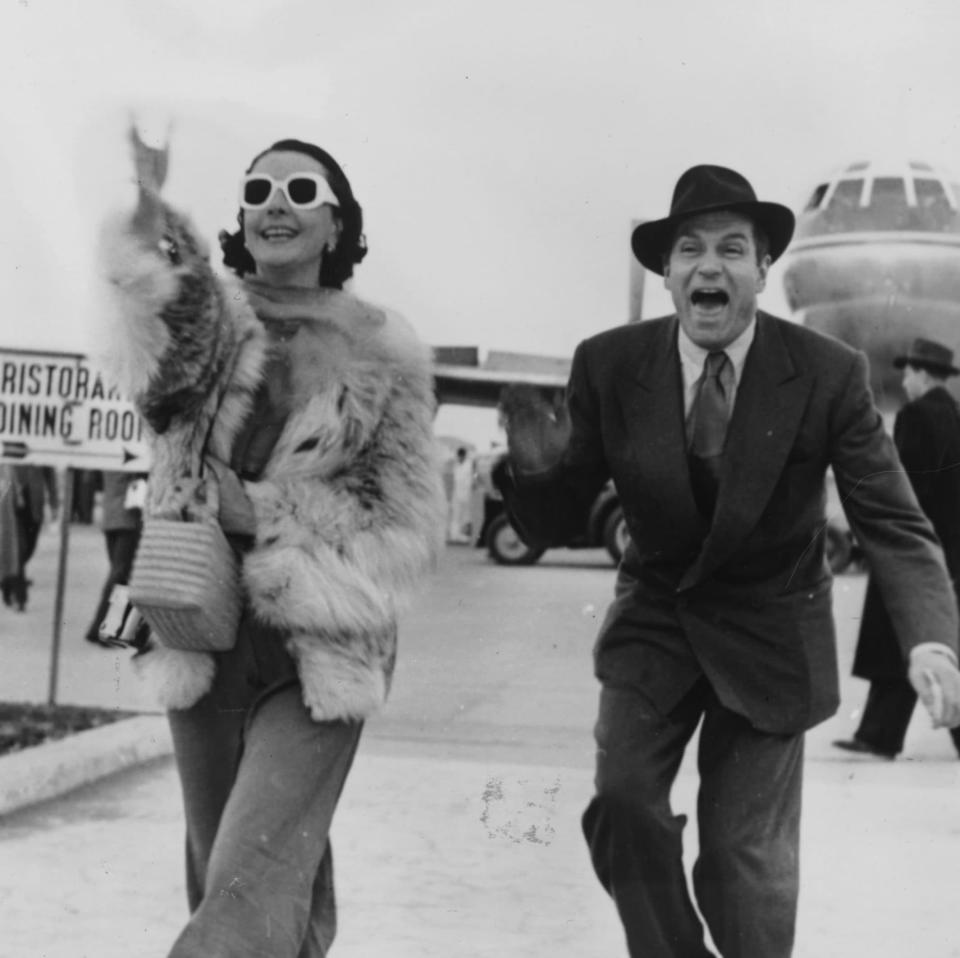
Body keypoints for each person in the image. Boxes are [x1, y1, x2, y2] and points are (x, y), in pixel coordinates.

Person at [494, 165, 960, 958]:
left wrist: (930, 636)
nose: (709, 266)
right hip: (657, 623)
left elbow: (892, 521)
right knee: (624, 805)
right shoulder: (609, 364)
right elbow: (564, 509)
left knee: (748, 868)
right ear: (667, 273)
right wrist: (533, 469)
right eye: (689, 250)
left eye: (732, 249)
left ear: (763, 270)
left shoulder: (827, 372)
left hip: (773, 630)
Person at [99, 131, 445, 957]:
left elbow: (400, 526)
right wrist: (151, 214)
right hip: (201, 628)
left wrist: (257, 509)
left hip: (321, 648)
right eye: (259, 193)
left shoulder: (384, 352)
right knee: (236, 873)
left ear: (337, 225)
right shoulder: (209, 325)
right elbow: (155, 332)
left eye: (300, 192)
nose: (276, 206)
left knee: (245, 886)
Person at [834, 337, 960, 760]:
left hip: (913, 547)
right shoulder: (956, 416)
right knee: (928, 640)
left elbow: (903, 487)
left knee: (898, 634)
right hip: (950, 550)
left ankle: (879, 734)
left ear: (924, 375)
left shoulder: (916, 416)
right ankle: (877, 733)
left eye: (908, 373)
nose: (905, 382)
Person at [84, 471, 146, 646]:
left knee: (122, 576)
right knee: (120, 575)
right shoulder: (135, 455)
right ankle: (103, 629)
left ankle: (119, 629)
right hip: (128, 519)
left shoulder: (112, 454)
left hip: (111, 517)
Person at [1, 465, 58, 611]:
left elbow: (50, 473)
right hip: (11, 502)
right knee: (20, 549)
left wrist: (54, 503)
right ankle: (20, 597)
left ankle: (7, 579)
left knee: (29, 548)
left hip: (34, 503)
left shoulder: (41, 444)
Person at [448, 445, 475, 542]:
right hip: (457, 495)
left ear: (464, 456)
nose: (460, 458)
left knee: (467, 517)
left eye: (461, 456)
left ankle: (466, 535)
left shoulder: (470, 465)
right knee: (456, 516)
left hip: (468, 495)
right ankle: (454, 536)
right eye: (459, 456)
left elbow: (473, 480)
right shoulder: (456, 466)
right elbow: (454, 481)